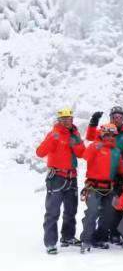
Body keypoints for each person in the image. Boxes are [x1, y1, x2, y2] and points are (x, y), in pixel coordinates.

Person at [36, 108, 85, 253]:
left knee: (71, 210)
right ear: (59, 120)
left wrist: (75, 144)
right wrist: (53, 138)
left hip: (72, 176)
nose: (67, 122)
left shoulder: (75, 134)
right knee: (53, 211)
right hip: (56, 177)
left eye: (69, 119)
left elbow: (82, 154)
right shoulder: (54, 134)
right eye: (64, 119)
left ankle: (67, 236)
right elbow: (40, 152)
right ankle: (50, 243)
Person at [79, 124, 123, 253]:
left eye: (113, 135)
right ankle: (86, 239)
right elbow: (85, 156)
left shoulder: (116, 151)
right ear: (102, 134)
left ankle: (99, 237)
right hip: (94, 186)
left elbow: (119, 169)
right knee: (92, 212)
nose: (110, 137)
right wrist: (96, 146)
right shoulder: (95, 145)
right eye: (108, 135)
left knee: (109, 214)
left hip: (109, 187)